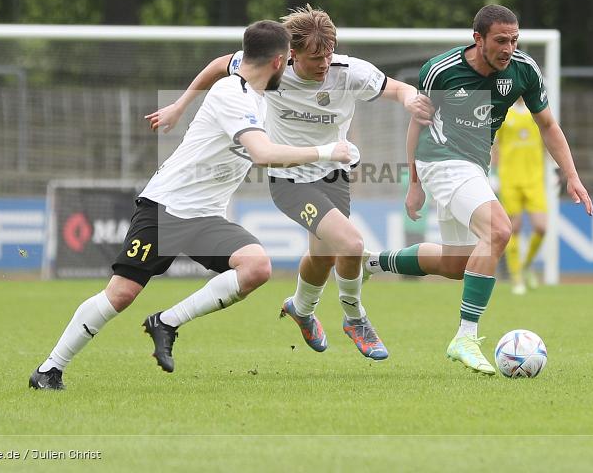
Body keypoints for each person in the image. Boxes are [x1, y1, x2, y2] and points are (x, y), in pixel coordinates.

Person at [29, 20, 353, 390]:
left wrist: (178, 106)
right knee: (121, 294)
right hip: (166, 208)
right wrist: (328, 151)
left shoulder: (249, 77)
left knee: (256, 266)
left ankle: (166, 322)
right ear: (279, 62)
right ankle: (49, 369)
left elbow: (219, 63)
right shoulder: (235, 96)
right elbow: (263, 155)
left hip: (205, 217)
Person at [145, 5, 432, 361]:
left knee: (323, 257)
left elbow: (399, 89)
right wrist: (180, 105)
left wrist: (411, 100)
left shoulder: (349, 72)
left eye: (328, 54)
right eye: (315, 57)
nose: (324, 63)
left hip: (332, 174)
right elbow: (220, 64)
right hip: (290, 179)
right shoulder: (273, 69)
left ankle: (300, 308)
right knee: (352, 243)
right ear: (290, 55)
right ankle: (355, 318)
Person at [362, 4, 593, 375]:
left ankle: (370, 262)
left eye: (514, 40)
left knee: (457, 265)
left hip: (474, 167)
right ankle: (465, 337)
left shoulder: (523, 70)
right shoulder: (441, 70)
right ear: (478, 39)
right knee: (499, 230)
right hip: (441, 160)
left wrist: (572, 175)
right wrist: (414, 183)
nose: (508, 48)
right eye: (500, 40)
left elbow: (548, 125)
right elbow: (417, 124)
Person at [492, 96, 548, 295]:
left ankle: (526, 265)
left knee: (541, 227)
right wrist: (493, 174)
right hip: (510, 179)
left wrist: (556, 168)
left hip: (534, 180)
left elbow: (549, 137)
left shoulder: (538, 111)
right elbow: (495, 146)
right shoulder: (504, 113)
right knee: (513, 228)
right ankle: (516, 277)